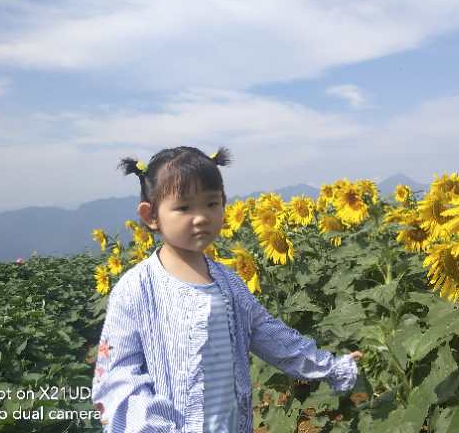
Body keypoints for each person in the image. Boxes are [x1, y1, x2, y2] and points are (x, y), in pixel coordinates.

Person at [91, 145, 363, 433]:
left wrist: (330, 366)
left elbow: (270, 334)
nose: (201, 217)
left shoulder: (228, 282)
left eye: (211, 204)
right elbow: (117, 377)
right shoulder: (137, 288)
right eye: (184, 207)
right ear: (151, 215)